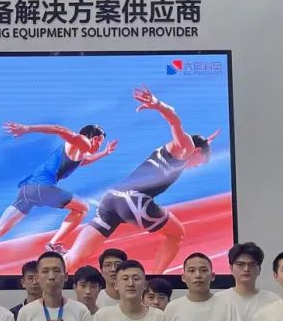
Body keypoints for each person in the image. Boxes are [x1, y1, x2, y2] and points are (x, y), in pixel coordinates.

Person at [67, 87, 220, 273]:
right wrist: (159, 105)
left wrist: (206, 141)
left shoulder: (179, 149)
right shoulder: (185, 148)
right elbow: (175, 121)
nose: (195, 166)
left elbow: (196, 142)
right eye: (199, 163)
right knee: (176, 234)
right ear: (197, 151)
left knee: (74, 257)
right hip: (134, 201)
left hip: (112, 199)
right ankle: (154, 278)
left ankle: (55, 271)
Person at [0, 122, 117, 252]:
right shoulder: (84, 141)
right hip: (41, 188)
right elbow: (58, 129)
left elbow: (84, 160)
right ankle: (53, 244)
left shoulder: (78, 151)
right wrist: (27, 129)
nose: (99, 145)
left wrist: (104, 153)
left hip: (28, 189)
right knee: (82, 208)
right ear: (93, 138)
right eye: (100, 142)